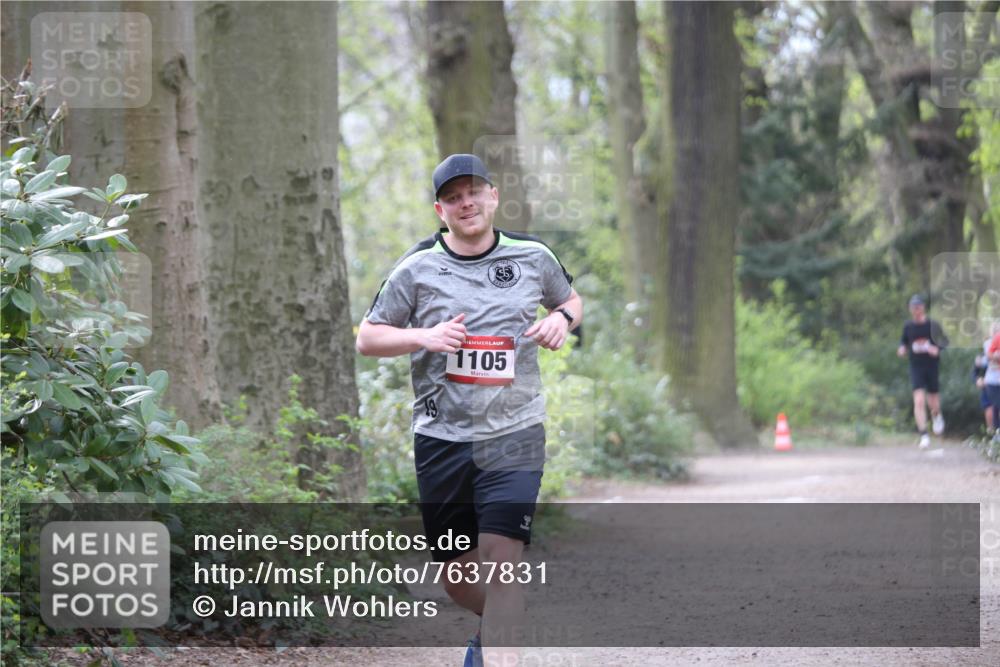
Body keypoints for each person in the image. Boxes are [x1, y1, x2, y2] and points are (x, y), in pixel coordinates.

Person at [356, 153, 582, 667]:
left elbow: (570, 300)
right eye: (454, 198)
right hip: (442, 437)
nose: (467, 203)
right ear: (441, 209)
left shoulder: (532, 256)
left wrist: (562, 320)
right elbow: (368, 338)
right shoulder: (416, 267)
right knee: (458, 581)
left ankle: (503, 641)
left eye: (474, 192)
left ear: (493, 195)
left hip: (515, 431)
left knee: (504, 568)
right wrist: (424, 336)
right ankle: (503, 627)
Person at [896, 294, 948, 448]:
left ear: (923, 308)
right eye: (913, 307)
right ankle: (923, 435)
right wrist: (902, 348)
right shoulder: (908, 326)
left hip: (931, 366)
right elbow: (904, 341)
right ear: (910, 309)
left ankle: (937, 417)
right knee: (918, 400)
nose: (916, 310)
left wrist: (936, 348)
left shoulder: (932, 325)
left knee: (933, 403)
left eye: (918, 307)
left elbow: (944, 341)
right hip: (916, 366)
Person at [987, 325, 1000, 444]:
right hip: (994, 380)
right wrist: (995, 356)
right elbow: (989, 354)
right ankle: (996, 433)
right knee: (996, 406)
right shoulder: (997, 338)